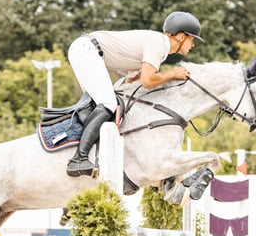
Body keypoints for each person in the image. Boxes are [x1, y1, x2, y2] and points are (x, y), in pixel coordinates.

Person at [65, 11, 204, 177]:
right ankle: (78, 160)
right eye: (192, 39)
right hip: (87, 50)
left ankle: (90, 153)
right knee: (108, 104)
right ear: (181, 37)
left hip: (87, 51)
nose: (193, 44)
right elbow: (148, 80)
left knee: (105, 103)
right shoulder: (159, 44)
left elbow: (133, 82)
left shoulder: (156, 46)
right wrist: (173, 74)